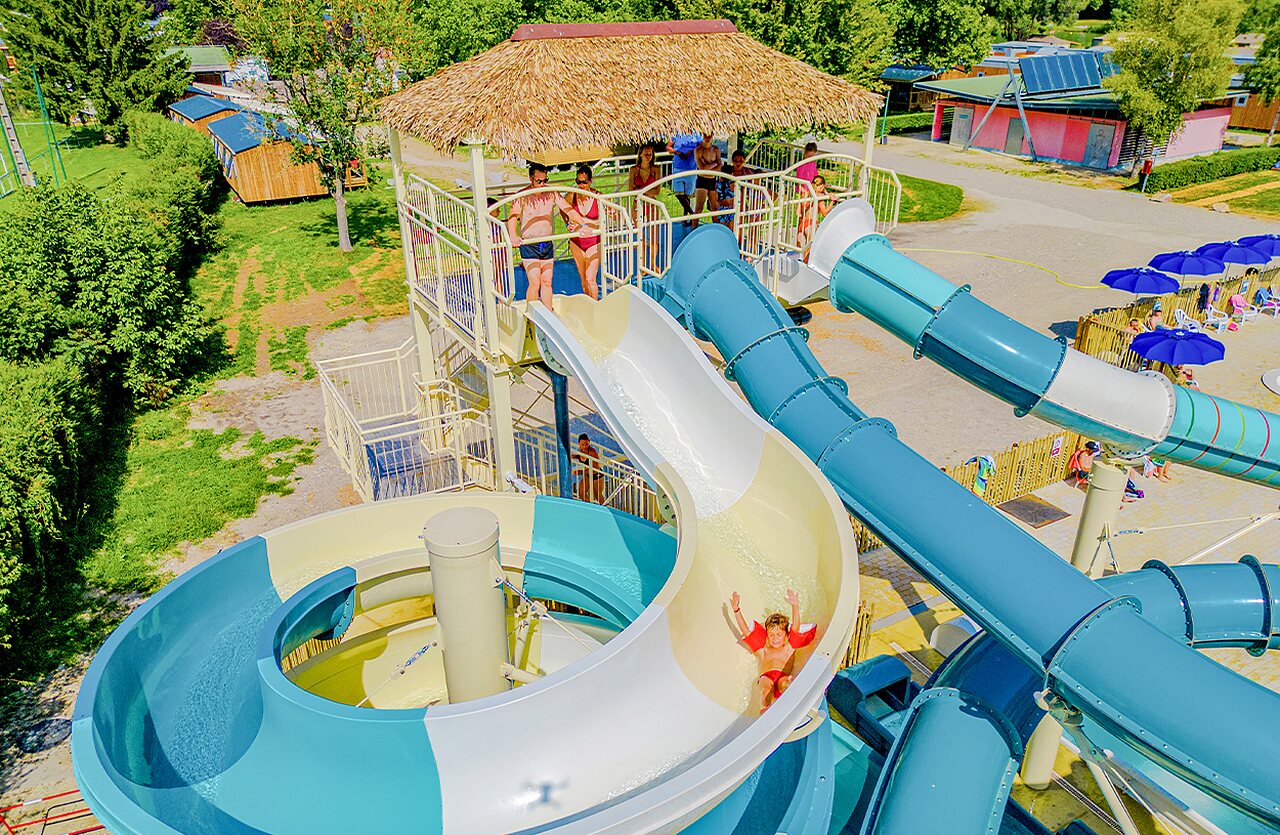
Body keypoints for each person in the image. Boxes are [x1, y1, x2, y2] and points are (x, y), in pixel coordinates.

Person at [507, 163, 585, 311]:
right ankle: (531, 313)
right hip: (530, 244)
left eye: (545, 180)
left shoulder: (551, 193)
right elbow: (513, 216)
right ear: (531, 179)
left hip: (546, 243)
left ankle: (548, 312)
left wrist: (583, 224)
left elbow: (567, 208)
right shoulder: (522, 196)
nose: (542, 184)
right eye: (539, 181)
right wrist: (513, 235)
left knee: (547, 281)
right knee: (535, 282)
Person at [729, 588, 816, 714]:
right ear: (767, 636)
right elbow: (746, 631)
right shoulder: (763, 651)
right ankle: (765, 710)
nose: (775, 638)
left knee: (785, 682)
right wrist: (736, 610)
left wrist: (795, 606)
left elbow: (795, 628)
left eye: (779, 634)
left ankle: (791, 692)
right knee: (765, 689)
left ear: (786, 635)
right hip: (766, 678)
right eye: (771, 635)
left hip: (782, 677)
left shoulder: (789, 648)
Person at [565, 165, 602, 299]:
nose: (581, 185)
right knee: (583, 278)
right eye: (578, 182)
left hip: (593, 241)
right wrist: (567, 223)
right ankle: (588, 304)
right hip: (576, 242)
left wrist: (613, 214)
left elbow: (614, 213)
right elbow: (563, 209)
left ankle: (595, 304)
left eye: (584, 182)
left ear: (590, 181)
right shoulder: (572, 195)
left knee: (590, 278)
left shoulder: (598, 197)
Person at [797, 174, 835, 258]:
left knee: (801, 249)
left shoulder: (807, 194)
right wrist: (832, 203)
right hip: (811, 224)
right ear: (822, 185)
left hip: (802, 224)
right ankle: (806, 264)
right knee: (809, 249)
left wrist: (826, 192)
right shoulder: (819, 197)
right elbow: (824, 213)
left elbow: (798, 213)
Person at [667, 134, 700, 219]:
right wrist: (677, 152)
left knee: (687, 195)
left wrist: (691, 152)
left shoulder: (696, 135)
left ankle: (686, 217)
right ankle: (692, 214)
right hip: (678, 167)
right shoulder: (676, 134)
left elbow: (701, 147)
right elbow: (668, 147)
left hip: (691, 168)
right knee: (679, 194)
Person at [692, 133, 722, 228]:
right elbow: (702, 168)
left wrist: (708, 167)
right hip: (702, 181)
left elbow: (720, 166)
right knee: (699, 208)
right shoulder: (698, 150)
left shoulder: (716, 149)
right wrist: (714, 164)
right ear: (702, 135)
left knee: (714, 208)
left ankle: (716, 229)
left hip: (712, 180)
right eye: (705, 135)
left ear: (712, 135)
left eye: (709, 135)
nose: (707, 138)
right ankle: (693, 229)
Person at [574, 433, 605, 503]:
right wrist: (573, 456)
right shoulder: (581, 451)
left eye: (586, 444)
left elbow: (595, 467)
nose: (584, 447)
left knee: (597, 495)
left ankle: (604, 507)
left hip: (596, 475)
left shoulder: (592, 452)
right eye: (582, 445)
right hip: (588, 474)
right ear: (579, 444)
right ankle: (590, 505)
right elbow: (581, 457)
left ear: (589, 442)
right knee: (581, 493)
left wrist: (581, 471)